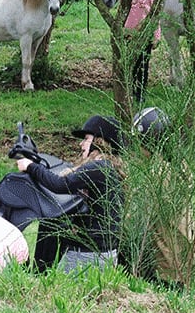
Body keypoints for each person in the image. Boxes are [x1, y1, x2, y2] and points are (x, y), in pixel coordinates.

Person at [15, 115, 126, 272]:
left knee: (50, 225)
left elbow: (61, 184)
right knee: (56, 223)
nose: (81, 144)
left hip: (89, 255)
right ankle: (39, 274)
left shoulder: (98, 167)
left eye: (86, 139)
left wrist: (31, 166)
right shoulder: (109, 168)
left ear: (99, 141)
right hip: (102, 252)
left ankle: (38, 277)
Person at [124, 0, 161, 103]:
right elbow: (122, 14)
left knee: (143, 66)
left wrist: (156, 36)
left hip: (145, 36)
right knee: (131, 65)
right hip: (130, 36)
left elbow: (155, 17)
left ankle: (140, 94)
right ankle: (130, 91)